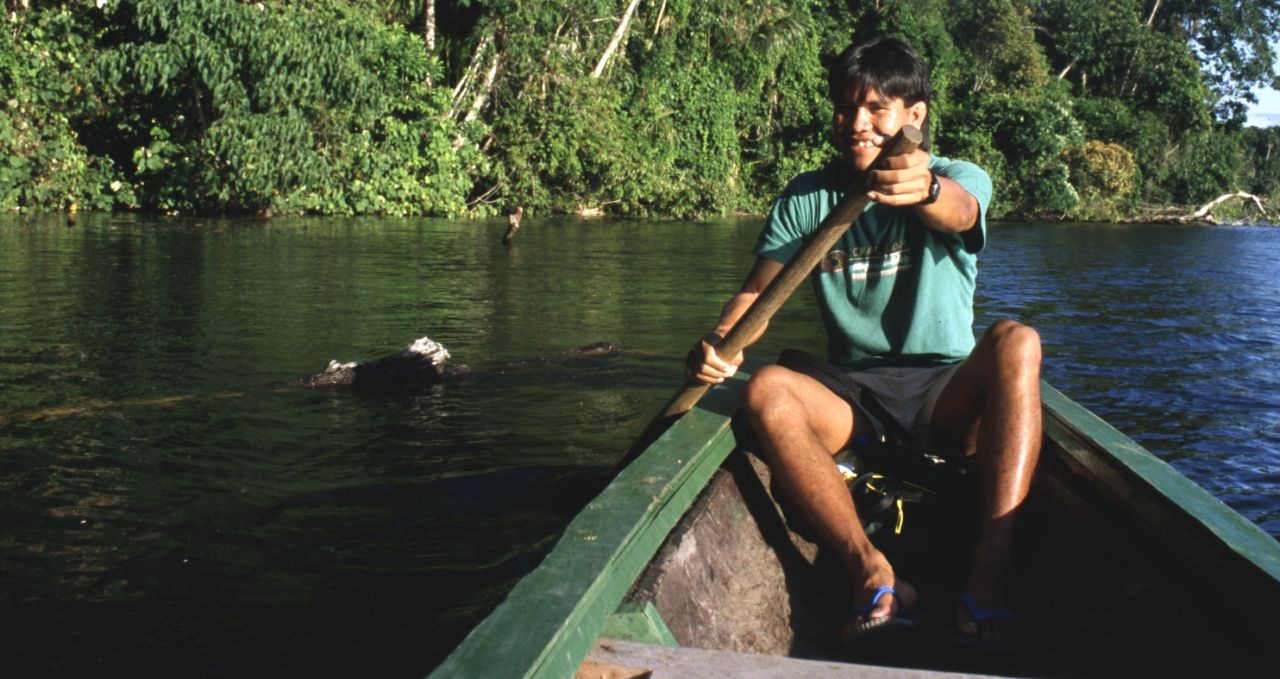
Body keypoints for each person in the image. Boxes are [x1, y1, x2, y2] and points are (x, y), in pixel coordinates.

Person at [687, 36, 1041, 652]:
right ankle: (871, 572)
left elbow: (959, 212)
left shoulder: (958, 176)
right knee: (767, 388)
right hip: (854, 399)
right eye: (847, 107)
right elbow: (754, 296)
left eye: (876, 108)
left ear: (915, 116)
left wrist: (925, 190)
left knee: (1018, 341)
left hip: (944, 394)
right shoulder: (807, 196)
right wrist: (722, 341)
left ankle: (991, 568)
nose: (857, 124)